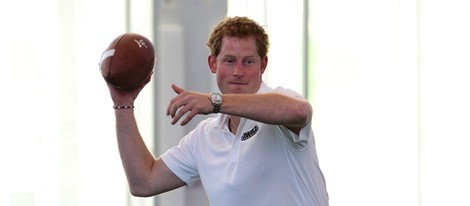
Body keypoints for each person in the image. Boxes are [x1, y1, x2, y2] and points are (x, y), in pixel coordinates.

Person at [106, 16, 329, 206]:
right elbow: (144, 182)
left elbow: (299, 112)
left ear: (263, 65)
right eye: (230, 61)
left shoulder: (282, 103)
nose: (238, 72)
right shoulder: (204, 137)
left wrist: (215, 101)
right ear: (213, 63)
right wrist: (123, 104)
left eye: (248, 62)